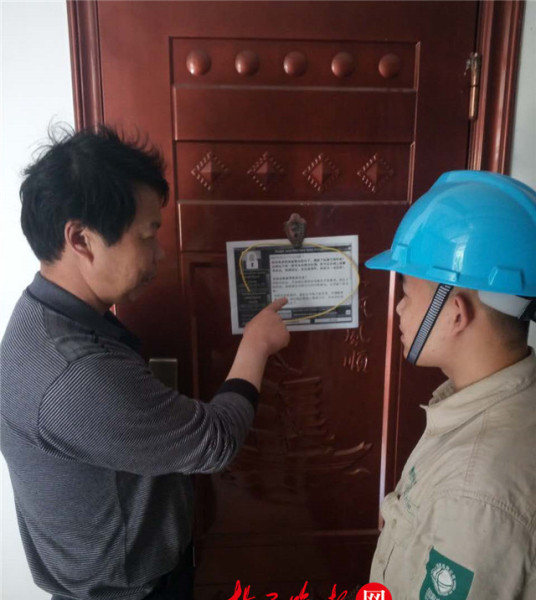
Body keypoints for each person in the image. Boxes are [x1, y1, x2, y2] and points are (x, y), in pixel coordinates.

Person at [0, 126, 290, 600]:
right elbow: (214, 441)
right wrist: (255, 345)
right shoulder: (76, 375)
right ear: (81, 239)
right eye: (147, 235)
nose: (159, 253)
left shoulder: (38, 316)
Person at [365, 170, 536, 599]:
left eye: (407, 291)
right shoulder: (488, 405)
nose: (399, 308)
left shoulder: (474, 492)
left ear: (455, 313)